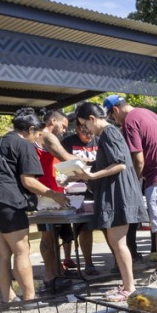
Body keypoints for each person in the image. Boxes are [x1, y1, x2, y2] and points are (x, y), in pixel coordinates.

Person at [0, 109, 70, 304]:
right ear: (31, 129)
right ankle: (29, 298)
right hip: (8, 201)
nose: (38, 138)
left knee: (0, 252)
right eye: (38, 134)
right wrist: (55, 195)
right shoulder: (25, 145)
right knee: (21, 251)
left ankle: (7, 297)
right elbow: (28, 181)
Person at [103, 95, 157, 288]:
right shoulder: (148, 113)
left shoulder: (130, 121)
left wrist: (135, 181)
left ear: (115, 110)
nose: (115, 122)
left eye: (113, 118)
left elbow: (138, 159)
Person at [68, 102, 146, 303]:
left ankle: (129, 288)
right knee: (116, 242)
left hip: (119, 194)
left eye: (85, 124)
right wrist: (85, 170)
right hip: (116, 192)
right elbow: (111, 162)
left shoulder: (109, 133)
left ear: (92, 119)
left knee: (119, 243)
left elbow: (119, 164)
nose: (86, 129)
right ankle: (126, 285)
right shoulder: (109, 134)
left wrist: (93, 175)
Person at [27, 108, 77, 296]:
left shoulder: (39, 139)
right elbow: (67, 158)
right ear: (53, 121)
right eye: (63, 126)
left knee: (54, 234)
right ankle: (50, 276)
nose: (64, 130)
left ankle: (56, 273)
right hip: (46, 194)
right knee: (48, 235)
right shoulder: (47, 137)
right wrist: (93, 163)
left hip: (51, 191)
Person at [61, 117, 100, 274]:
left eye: (90, 133)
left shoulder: (99, 141)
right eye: (84, 133)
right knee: (83, 228)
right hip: (76, 191)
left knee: (105, 227)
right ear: (77, 128)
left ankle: (117, 261)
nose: (88, 136)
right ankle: (87, 263)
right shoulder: (68, 143)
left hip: (97, 188)